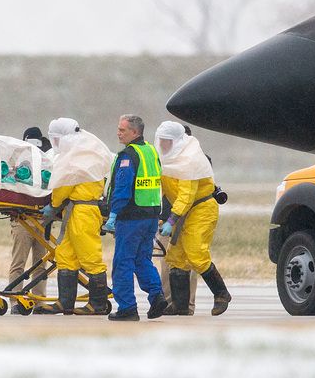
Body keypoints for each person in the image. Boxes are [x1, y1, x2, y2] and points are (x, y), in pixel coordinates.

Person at [156, 121, 231, 316]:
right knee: (175, 257)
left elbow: (186, 195)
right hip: (182, 211)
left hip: (201, 208)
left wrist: (172, 220)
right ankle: (179, 306)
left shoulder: (190, 160)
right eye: (161, 140)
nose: (163, 145)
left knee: (196, 253)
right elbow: (161, 188)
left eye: (167, 141)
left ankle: (221, 294)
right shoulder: (166, 159)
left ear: (177, 141)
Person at [41, 117, 113, 316]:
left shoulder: (74, 156)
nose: (55, 143)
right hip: (76, 211)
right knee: (65, 255)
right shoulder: (87, 149)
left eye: (56, 139)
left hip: (82, 212)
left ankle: (97, 304)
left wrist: (52, 206)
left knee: (90, 256)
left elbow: (64, 184)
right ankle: (66, 303)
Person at [104, 114, 168, 321]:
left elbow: (122, 188)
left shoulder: (128, 156)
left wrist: (113, 214)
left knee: (123, 263)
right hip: (150, 215)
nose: (118, 133)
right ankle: (157, 296)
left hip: (130, 217)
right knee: (142, 260)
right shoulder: (150, 151)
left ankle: (127, 308)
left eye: (122, 130)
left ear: (134, 132)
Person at [9, 126, 52, 314]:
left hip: (42, 218)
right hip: (22, 219)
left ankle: (39, 300)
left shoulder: (47, 160)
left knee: (41, 263)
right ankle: (15, 300)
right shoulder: (17, 159)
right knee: (19, 262)